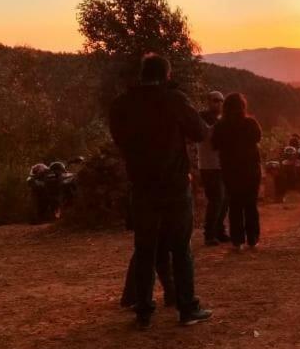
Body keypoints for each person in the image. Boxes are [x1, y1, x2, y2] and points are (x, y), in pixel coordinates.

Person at [109, 54, 212, 329]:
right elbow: (201, 132)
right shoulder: (174, 99)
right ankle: (187, 307)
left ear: (142, 74)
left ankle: (143, 310)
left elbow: (119, 139)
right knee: (181, 248)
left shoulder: (122, 104)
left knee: (144, 249)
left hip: (142, 186)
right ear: (166, 74)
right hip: (175, 184)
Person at [210, 93, 262, 251]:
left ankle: (237, 241)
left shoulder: (220, 126)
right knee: (251, 204)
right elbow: (258, 138)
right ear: (243, 106)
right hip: (251, 169)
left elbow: (214, 145)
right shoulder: (251, 123)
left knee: (235, 204)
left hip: (230, 171)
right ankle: (252, 240)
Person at [197, 91, 229, 246]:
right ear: (208, 101)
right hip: (208, 165)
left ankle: (219, 231)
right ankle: (209, 234)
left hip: (221, 164)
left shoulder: (221, 119)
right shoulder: (201, 117)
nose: (219, 103)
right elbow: (203, 135)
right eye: (216, 100)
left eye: (221, 100)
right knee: (216, 200)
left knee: (224, 200)